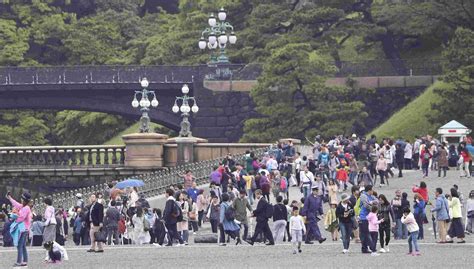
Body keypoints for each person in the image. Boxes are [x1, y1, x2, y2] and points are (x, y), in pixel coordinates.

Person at [7, 192, 32, 267]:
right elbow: (16, 204)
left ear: (24, 200)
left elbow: (21, 218)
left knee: (19, 245)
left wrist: (13, 218)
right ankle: (25, 261)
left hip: (23, 229)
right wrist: (10, 198)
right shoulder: (24, 207)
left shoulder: (26, 208)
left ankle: (19, 261)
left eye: (22, 199)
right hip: (24, 229)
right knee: (23, 245)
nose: (20, 200)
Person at [359, 185, 376, 253]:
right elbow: (366, 205)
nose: (373, 191)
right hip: (364, 217)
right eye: (372, 190)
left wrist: (372, 203)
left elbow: (376, 201)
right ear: (369, 190)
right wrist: (373, 206)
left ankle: (364, 248)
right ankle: (372, 247)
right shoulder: (363, 196)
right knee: (366, 233)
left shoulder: (371, 196)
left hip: (369, 217)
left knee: (364, 234)